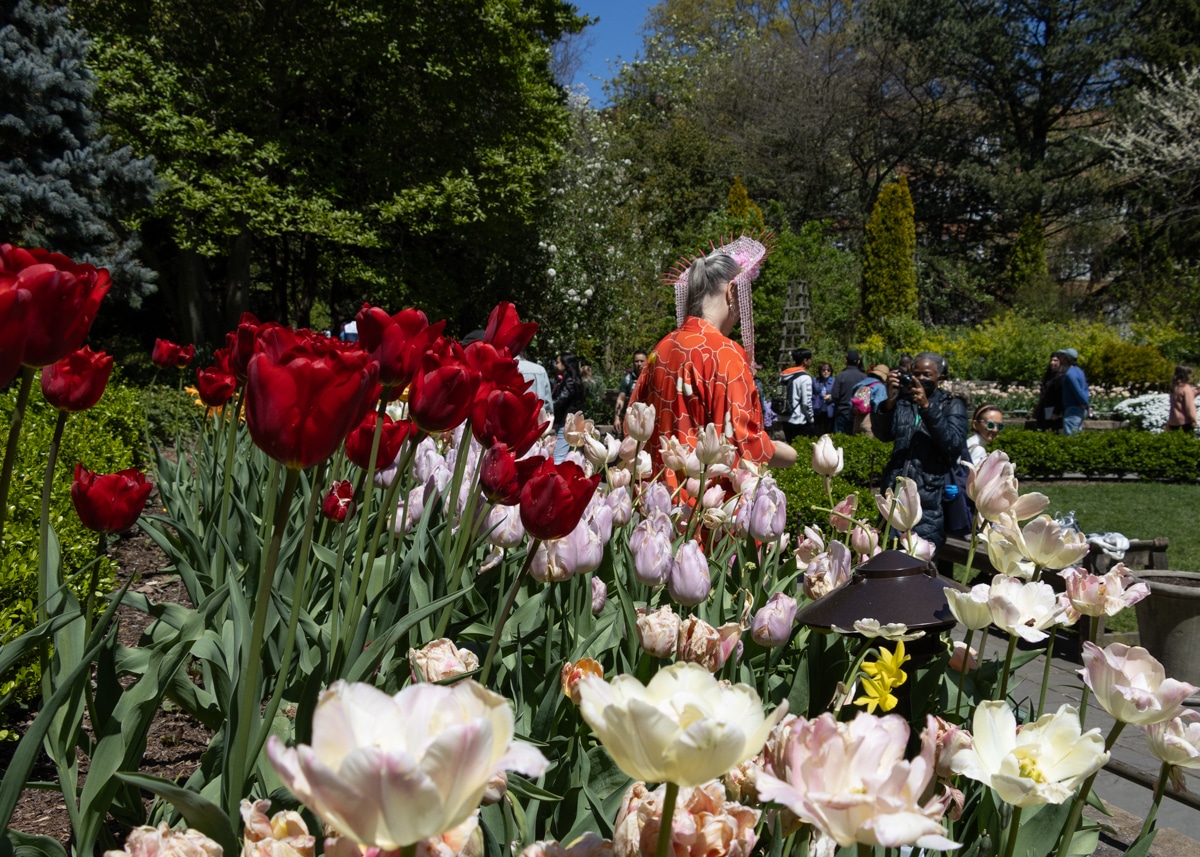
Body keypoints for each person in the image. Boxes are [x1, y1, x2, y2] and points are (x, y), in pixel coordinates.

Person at [630, 234, 797, 475]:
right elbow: (743, 444)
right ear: (731, 291)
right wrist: (789, 455)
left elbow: (635, 422)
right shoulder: (726, 354)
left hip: (659, 497)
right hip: (705, 500)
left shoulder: (661, 349)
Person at [872, 351, 969, 547]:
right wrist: (889, 402)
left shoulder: (951, 405)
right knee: (888, 554)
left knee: (920, 559)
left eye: (927, 374)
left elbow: (953, 445)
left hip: (929, 499)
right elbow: (883, 435)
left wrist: (927, 407)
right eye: (917, 374)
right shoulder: (904, 402)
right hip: (895, 492)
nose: (921, 379)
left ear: (940, 378)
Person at [551, 352, 585, 463]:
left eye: (558, 362)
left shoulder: (569, 381)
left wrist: (547, 406)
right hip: (567, 421)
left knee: (558, 457)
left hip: (566, 422)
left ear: (565, 364)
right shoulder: (571, 380)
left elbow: (560, 400)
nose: (555, 365)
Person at [778, 348, 815, 442]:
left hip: (784, 416)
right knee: (800, 448)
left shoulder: (782, 376)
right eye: (809, 359)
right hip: (798, 420)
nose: (811, 361)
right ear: (805, 361)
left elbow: (779, 394)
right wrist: (811, 419)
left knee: (790, 445)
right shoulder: (805, 378)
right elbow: (806, 403)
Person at [830, 350, 868, 434]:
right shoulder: (864, 377)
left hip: (842, 412)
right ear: (858, 362)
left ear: (846, 361)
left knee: (840, 440)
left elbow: (835, 396)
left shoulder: (841, 376)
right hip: (858, 414)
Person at [613, 350, 648, 434]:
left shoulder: (652, 378)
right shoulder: (628, 379)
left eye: (642, 361)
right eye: (636, 361)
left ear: (646, 362)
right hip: (632, 419)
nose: (639, 364)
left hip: (647, 418)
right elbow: (620, 399)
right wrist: (617, 418)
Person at [851, 364, 889, 437]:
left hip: (857, 419)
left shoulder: (860, 384)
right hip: (869, 420)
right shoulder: (880, 386)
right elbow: (878, 405)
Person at [1059, 348, 1089, 436]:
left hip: (1073, 409)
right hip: (1078, 408)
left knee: (1071, 436)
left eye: (1063, 357)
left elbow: (1078, 390)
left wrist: (1084, 403)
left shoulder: (1070, 373)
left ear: (1068, 359)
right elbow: (1086, 388)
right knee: (1076, 433)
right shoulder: (1079, 371)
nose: (1061, 359)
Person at [1034, 352, 1065, 432]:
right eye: (1051, 360)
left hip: (1054, 410)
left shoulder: (1061, 377)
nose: (1052, 363)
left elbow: (1061, 396)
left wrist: (1056, 412)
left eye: (1055, 361)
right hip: (1045, 408)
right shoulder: (1049, 375)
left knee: (1052, 430)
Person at [1167, 365, 1198, 433]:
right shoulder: (1186, 388)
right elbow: (1189, 407)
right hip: (1184, 422)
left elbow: (1180, 400)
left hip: (1173, 421)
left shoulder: (1174, 387)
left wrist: (1196, 392)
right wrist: (1194, 420)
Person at [813, 361, 835, 435]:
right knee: (818, 431)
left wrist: (831, 396)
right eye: (823, 370)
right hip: (818, 409)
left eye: (828, 370)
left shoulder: (834, 382)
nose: (826, 372)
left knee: (828, 431)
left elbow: (837, 395)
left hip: (829, 409)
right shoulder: (815, 381)